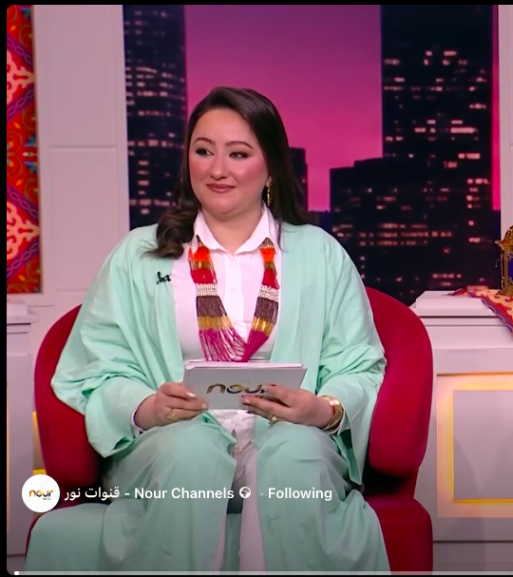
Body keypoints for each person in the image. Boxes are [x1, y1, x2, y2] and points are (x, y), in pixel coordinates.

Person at [29, 86, 390, 572]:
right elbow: (96, 367)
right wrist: (146, 408)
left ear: (270, 167)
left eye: (238, 154)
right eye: (203, 151)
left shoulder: (320, 254)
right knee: (190, 452)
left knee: (296, 454)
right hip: (172, 441)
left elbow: (359, 363)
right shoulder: (139, 255)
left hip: (287, 436)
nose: (217, 169)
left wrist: (323, 410)